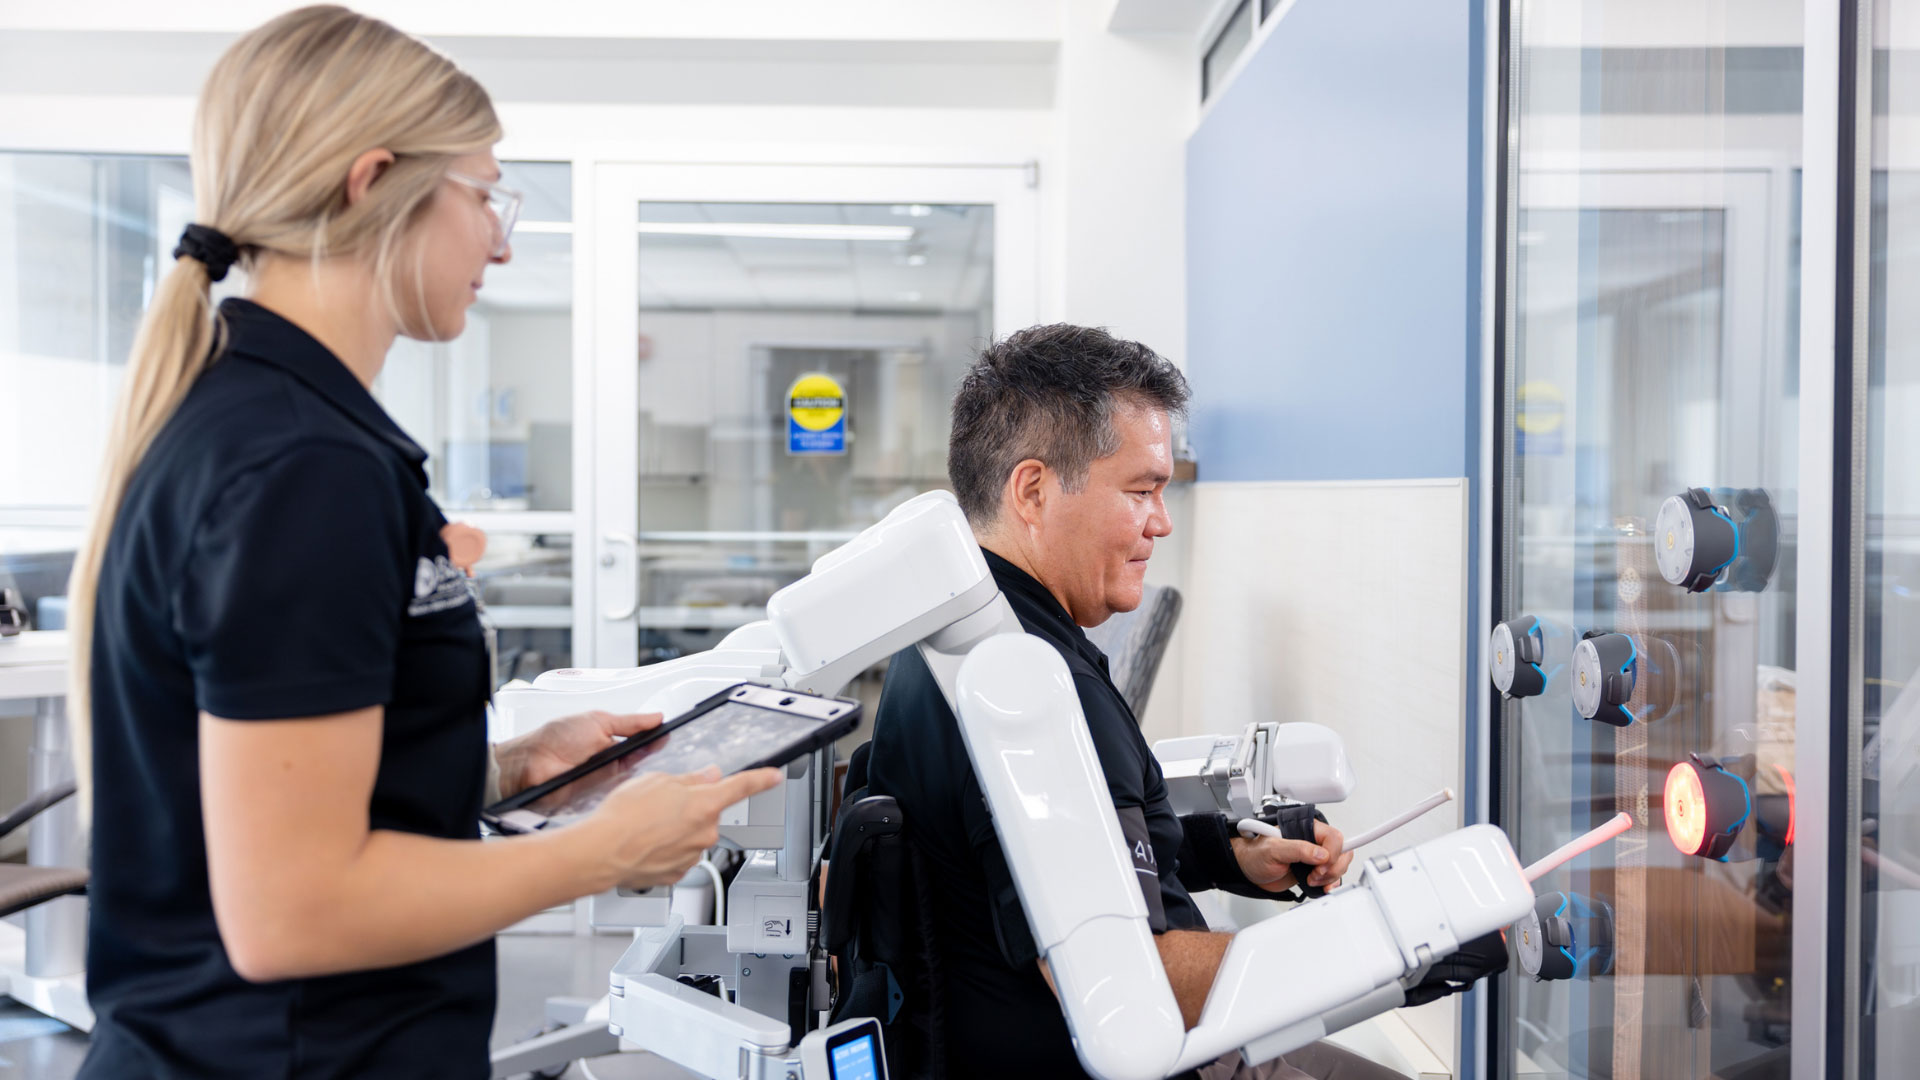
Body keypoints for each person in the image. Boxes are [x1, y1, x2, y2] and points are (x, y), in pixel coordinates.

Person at [64, 8, 780, 1077]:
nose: (499, 236)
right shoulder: (302, 468)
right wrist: (601, 852)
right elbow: (293, 914)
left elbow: (303, 796)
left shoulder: (276, 428)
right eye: (485, 193)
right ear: (371, 182)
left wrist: (502, 770)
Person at [864, 324, 1408, 1080]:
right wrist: (1390, 943)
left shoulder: (950, 642)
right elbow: (1124, 984)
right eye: (1141, 490)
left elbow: (1055, 860)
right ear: (1033, 490)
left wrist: (1226, 853)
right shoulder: (1034, 691)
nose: (1162, 520)